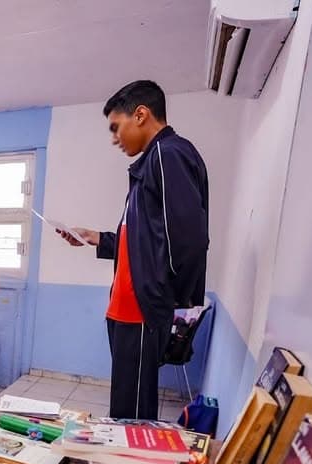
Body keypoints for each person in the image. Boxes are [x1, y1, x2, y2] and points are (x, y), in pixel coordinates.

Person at [56, 80, 209, 420]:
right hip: (126, 306)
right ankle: (121, 463)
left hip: (142, 307)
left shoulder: (169, 155)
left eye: (116, 127)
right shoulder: (151, 163)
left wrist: (169, 305)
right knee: (125, 403)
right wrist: (93, 237)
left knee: (133, 411)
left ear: (140, 114)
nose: (114, 139)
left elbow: (189, 240)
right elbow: (142, 242)